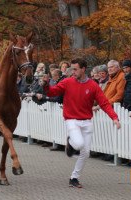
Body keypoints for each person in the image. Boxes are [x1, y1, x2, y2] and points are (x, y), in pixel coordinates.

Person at [42, 58, 121, 188]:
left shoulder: (93, 85)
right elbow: (52, 92)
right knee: (78, 144)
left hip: (87, 122)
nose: (73, 72)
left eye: (75, 69)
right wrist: (45, 85)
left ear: (83, 69)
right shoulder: (67, 82)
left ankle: (74, 178)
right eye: (72, 69)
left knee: (86, 153)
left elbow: (104, 103)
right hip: (72, 120)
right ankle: (71, 142)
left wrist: (114, 118)